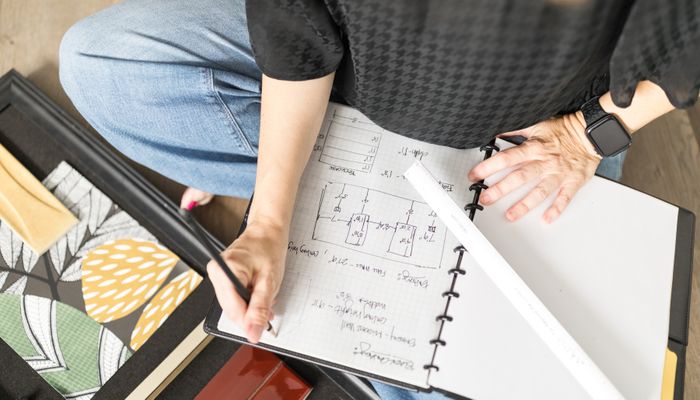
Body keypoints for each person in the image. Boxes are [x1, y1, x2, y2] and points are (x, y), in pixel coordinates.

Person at [59, 0, 699, 398]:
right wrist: (270, 220)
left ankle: (317, 176)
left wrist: (590, 134)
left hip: (543, 129)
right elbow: (296, 31)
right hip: (352, 79)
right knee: (102, 65)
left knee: (472, 371)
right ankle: (326, 170)